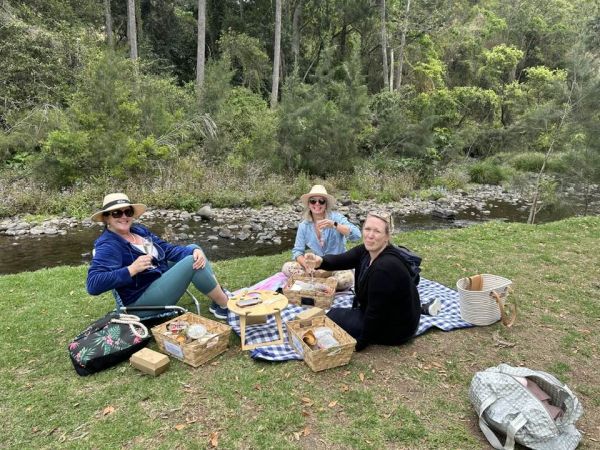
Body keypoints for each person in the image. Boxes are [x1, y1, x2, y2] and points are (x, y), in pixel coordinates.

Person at [86, 193, 229, 319]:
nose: (124, 217)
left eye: (128, 212)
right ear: (106, 219)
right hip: (140, 301)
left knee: (193, 249)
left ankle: (218, 299)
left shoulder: (138, 231)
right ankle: (226, 306)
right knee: (192, 261)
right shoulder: (108, 244)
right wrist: (132, 269)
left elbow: (166, 249)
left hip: (156, 277)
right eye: (117, 213)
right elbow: (93, 285)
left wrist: (192, 251)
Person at [305, 211, 421, 351]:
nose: (370, 235)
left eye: (377, 231)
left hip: (396, 329)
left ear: (387, 236)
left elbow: (374, 313)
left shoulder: (384, 268)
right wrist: (320, 261)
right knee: (335, 315)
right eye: (367, 229)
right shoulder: (367, 251)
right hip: (389, 315)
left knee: (332, 317)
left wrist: (360, 344)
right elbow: (343, 259)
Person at [282, 185, 361, 290]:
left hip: (337, 265)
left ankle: (315, 284)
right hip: (316, 266)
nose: (317, 204)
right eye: (313, 201)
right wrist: (307, 266)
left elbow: (356, 236)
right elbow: (297, 252)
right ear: (309, 204)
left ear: (326, 204)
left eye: (321, 201)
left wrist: (334, 225)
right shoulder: (304, 225)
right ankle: (323, 284)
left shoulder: (336, 218)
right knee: (286, 267)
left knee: (346, 279)